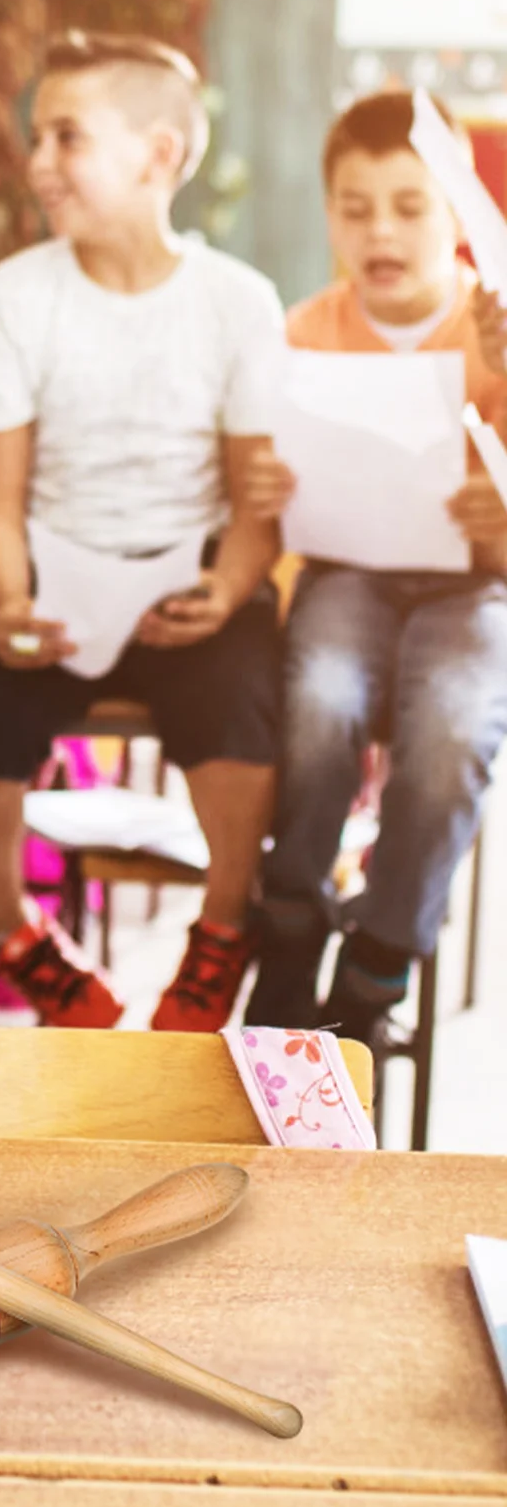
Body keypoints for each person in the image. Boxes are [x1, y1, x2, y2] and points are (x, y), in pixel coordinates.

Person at [0, 30, 285, 1030]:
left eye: (65, 139)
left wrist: (225, 587)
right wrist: (8, 605)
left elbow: (254, 502)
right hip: (48, 581)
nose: (37, 164)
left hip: (188, 581)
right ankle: (16, 937)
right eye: (37, 138)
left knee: (249, 697)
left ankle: (220, 930)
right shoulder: (18, 295)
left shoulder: (237, 303)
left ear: (157, 156)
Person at [244, 91, 507, 1048]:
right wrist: (261, 478)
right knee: (318, 693)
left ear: (458, 216)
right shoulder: (303, 331)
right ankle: (292, 917)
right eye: (356, 209)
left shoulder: (495, 331)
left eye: (409, 206)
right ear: (329, 217)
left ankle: (383, 953)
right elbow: (265, 486)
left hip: (474, 585)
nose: (381, 231)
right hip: (345, 576)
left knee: (455, 725)